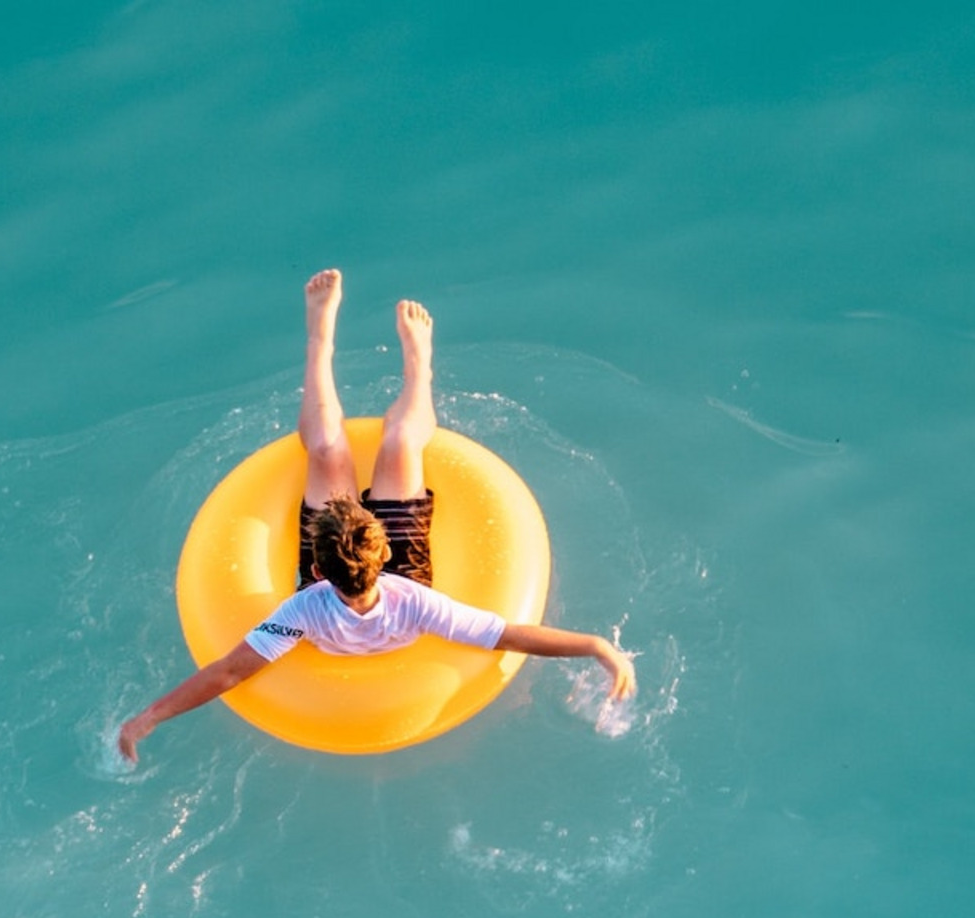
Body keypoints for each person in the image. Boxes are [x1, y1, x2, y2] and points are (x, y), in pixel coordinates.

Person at [117, 269, 636, 762]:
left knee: (325, 449)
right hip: (406, 569)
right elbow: (509, 634)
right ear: (383, 544)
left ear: (314, 571)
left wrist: (149, 717)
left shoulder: (302, 612)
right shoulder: (418, 601)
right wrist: (595, 645)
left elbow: (228, 673)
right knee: (400, 443)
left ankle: (320, 339)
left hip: (359, 572)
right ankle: (418, 366)